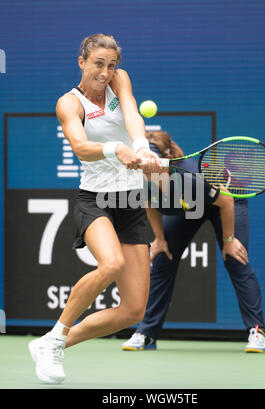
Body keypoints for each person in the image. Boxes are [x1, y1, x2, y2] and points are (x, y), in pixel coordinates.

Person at [28, 33, 161, 384]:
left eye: (111, 65)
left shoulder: (119, 80)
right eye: (98, 64)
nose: (105, 72)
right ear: (82, 62)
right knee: (111, 263)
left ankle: (50, 344)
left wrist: (141, 146)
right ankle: (56, 335)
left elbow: (131, 111)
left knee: (132, 311)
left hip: (130, 201)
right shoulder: (68, 103)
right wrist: (116, 149)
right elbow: (81, 146)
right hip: (96, 199)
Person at [122, 130, 265, 353]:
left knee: (235, 259)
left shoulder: (187, 177)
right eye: (144, 163)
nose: (148, 168)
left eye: (152, 161)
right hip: (191, 205)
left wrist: (229, 240)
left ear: (165, 158)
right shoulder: (139, 181)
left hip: (226, 200)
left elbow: (226, 201)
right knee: (163, 258)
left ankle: (258, 332)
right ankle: (147, 333)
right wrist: (160, 239)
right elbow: (149, 204)